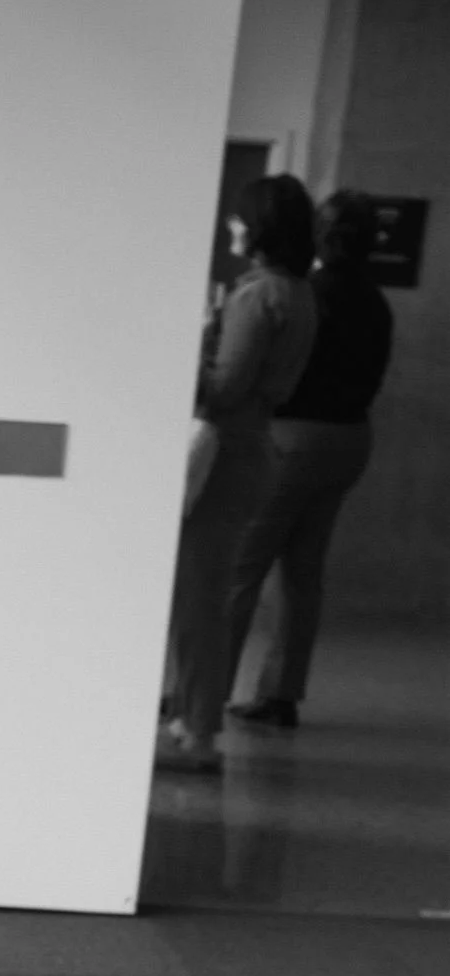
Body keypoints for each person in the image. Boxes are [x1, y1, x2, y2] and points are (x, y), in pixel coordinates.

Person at [159, 173, 317, 773]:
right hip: (254, 451)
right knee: (209, 593)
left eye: (238, 218)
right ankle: (188, 717)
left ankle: (198, 732)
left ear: (259, 228)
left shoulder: (255, 296)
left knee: (200, 601)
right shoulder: (297, 292)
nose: (231, 226)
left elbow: (225, 388)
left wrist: (184, 353)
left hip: (227, 454)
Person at [226, 190, 394, 728]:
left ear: (322, 235)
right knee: (303, 573)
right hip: (350, 441)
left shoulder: (305, 294)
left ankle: (202, 690)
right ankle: (281, 695)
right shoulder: (375, 301)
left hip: (293, 439)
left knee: (240, 567)